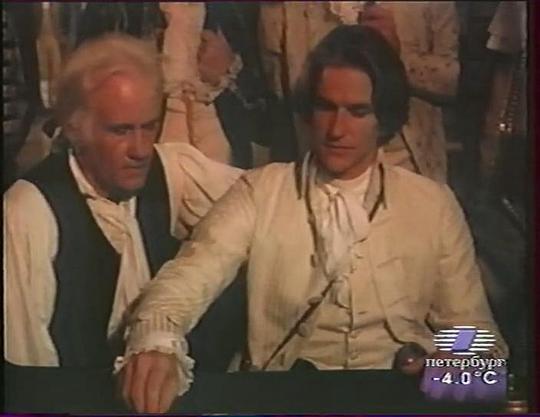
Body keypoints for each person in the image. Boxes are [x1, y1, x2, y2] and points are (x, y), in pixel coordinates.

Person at [120, 25, 506, 414]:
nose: (337, 129)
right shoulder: (261, 191)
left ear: (385, 118)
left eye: (358, 111)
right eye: (326, 107)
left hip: (399, 401)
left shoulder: (432, 204)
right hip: (285, 399)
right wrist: (156, 342)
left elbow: (479, 340)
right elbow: (187, 279)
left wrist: (446, 366)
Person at [3, 33, 243, 369]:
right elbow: (26, 365)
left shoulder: (171, 168)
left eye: (149, 127)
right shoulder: (28, 210)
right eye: (121, 131)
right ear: (75, 129)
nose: (141, 149)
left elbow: (260, 199)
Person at [259, 1, 460, 183]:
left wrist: (399, 57)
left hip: (409, 167)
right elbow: (279, 98)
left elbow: (453, 83)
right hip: (322, 172)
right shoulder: (285, 8)